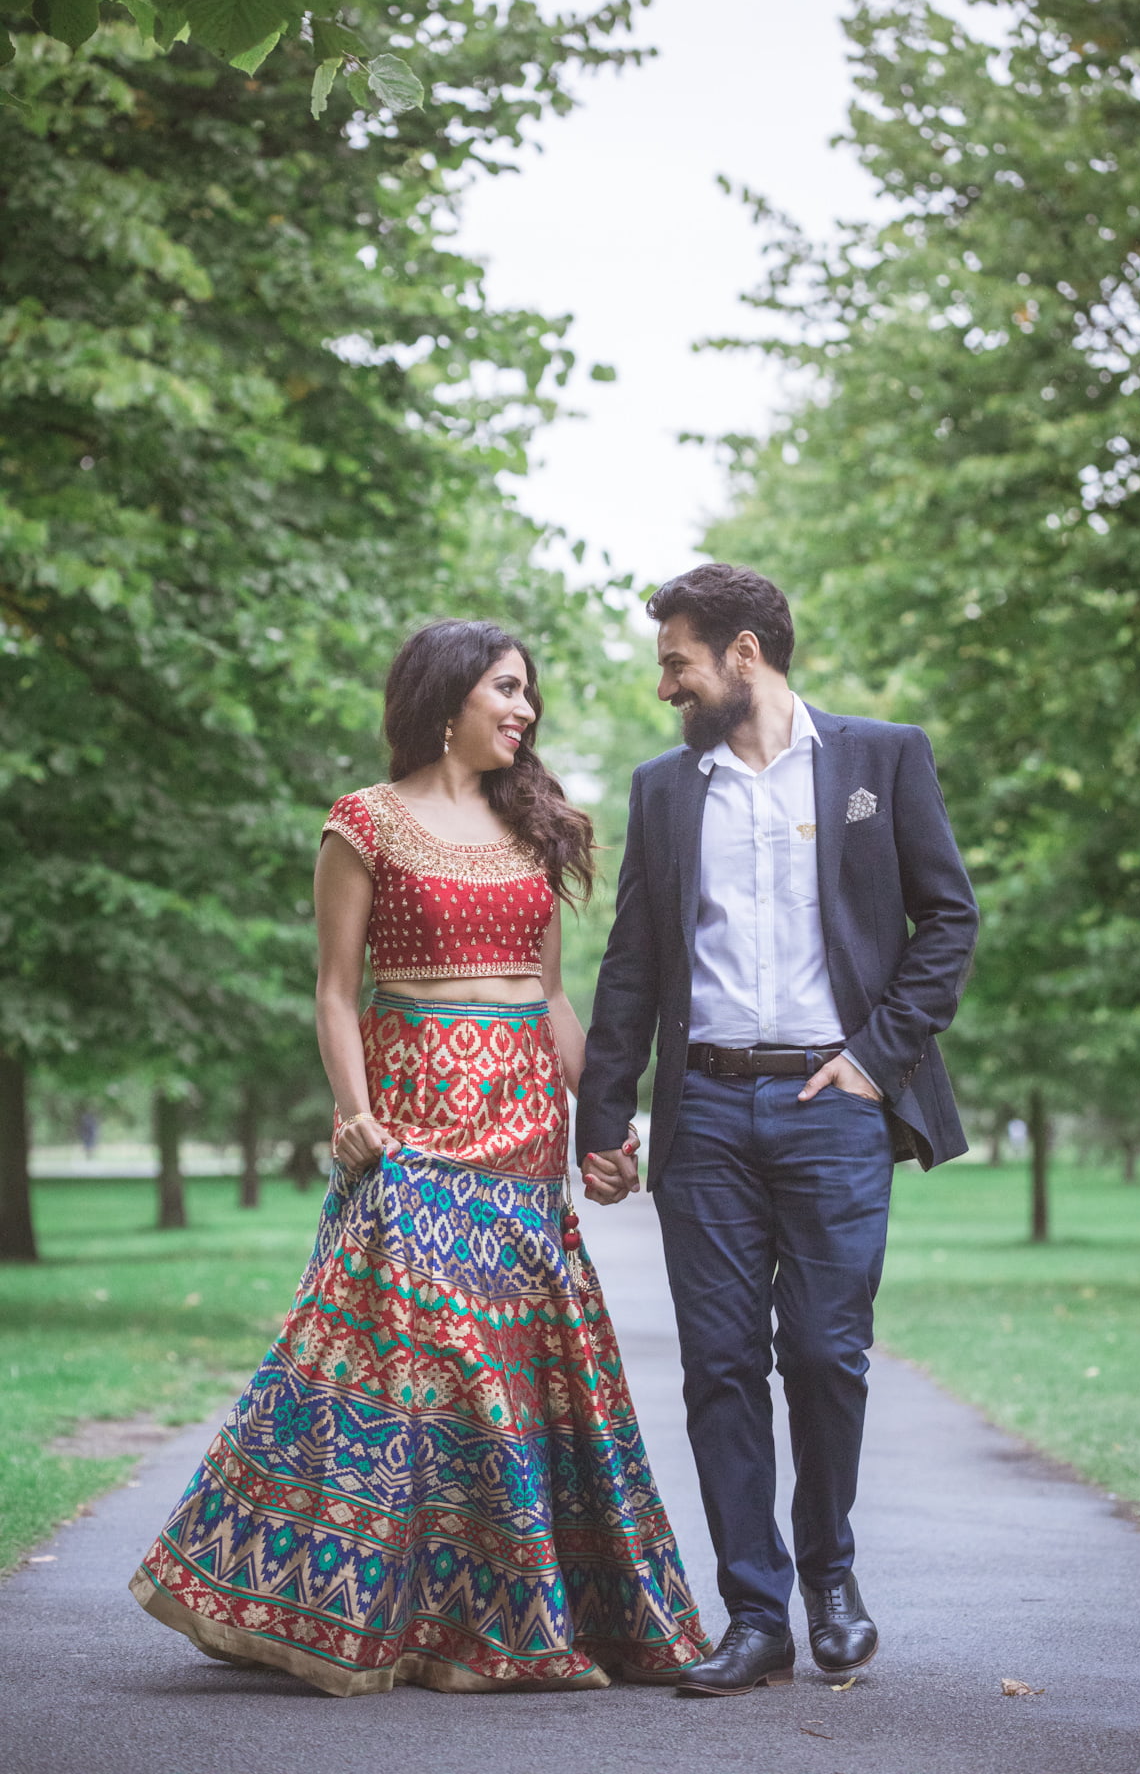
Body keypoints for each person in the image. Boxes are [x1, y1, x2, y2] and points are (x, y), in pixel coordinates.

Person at [131, 619, 709, 1697]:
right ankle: (370, 1608)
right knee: (435, 1362)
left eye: (530, 693)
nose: (524, 710)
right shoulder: (366, 824)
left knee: (518, 1361)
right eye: (506, 688)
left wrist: (603, 1124)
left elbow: (548, 994)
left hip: (522, 1128)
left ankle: (500, 1619)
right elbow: (336, 991)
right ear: (446, 698)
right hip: (409, 1125)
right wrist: (352, 1112)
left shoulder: (539, 825)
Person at [576, 564, 978, 1697]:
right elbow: (633, 965)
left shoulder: (879, 758)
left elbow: (948, 918)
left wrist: (875, 1059)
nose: (667, 685)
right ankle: (754, 1613)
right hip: (701, 1113)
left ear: (744, 654)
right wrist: (602, 1116)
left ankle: (833, 1579)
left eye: (678, 662)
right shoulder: (665, 790)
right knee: (718, 1369)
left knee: (823, 1353)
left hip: (830, 1108)